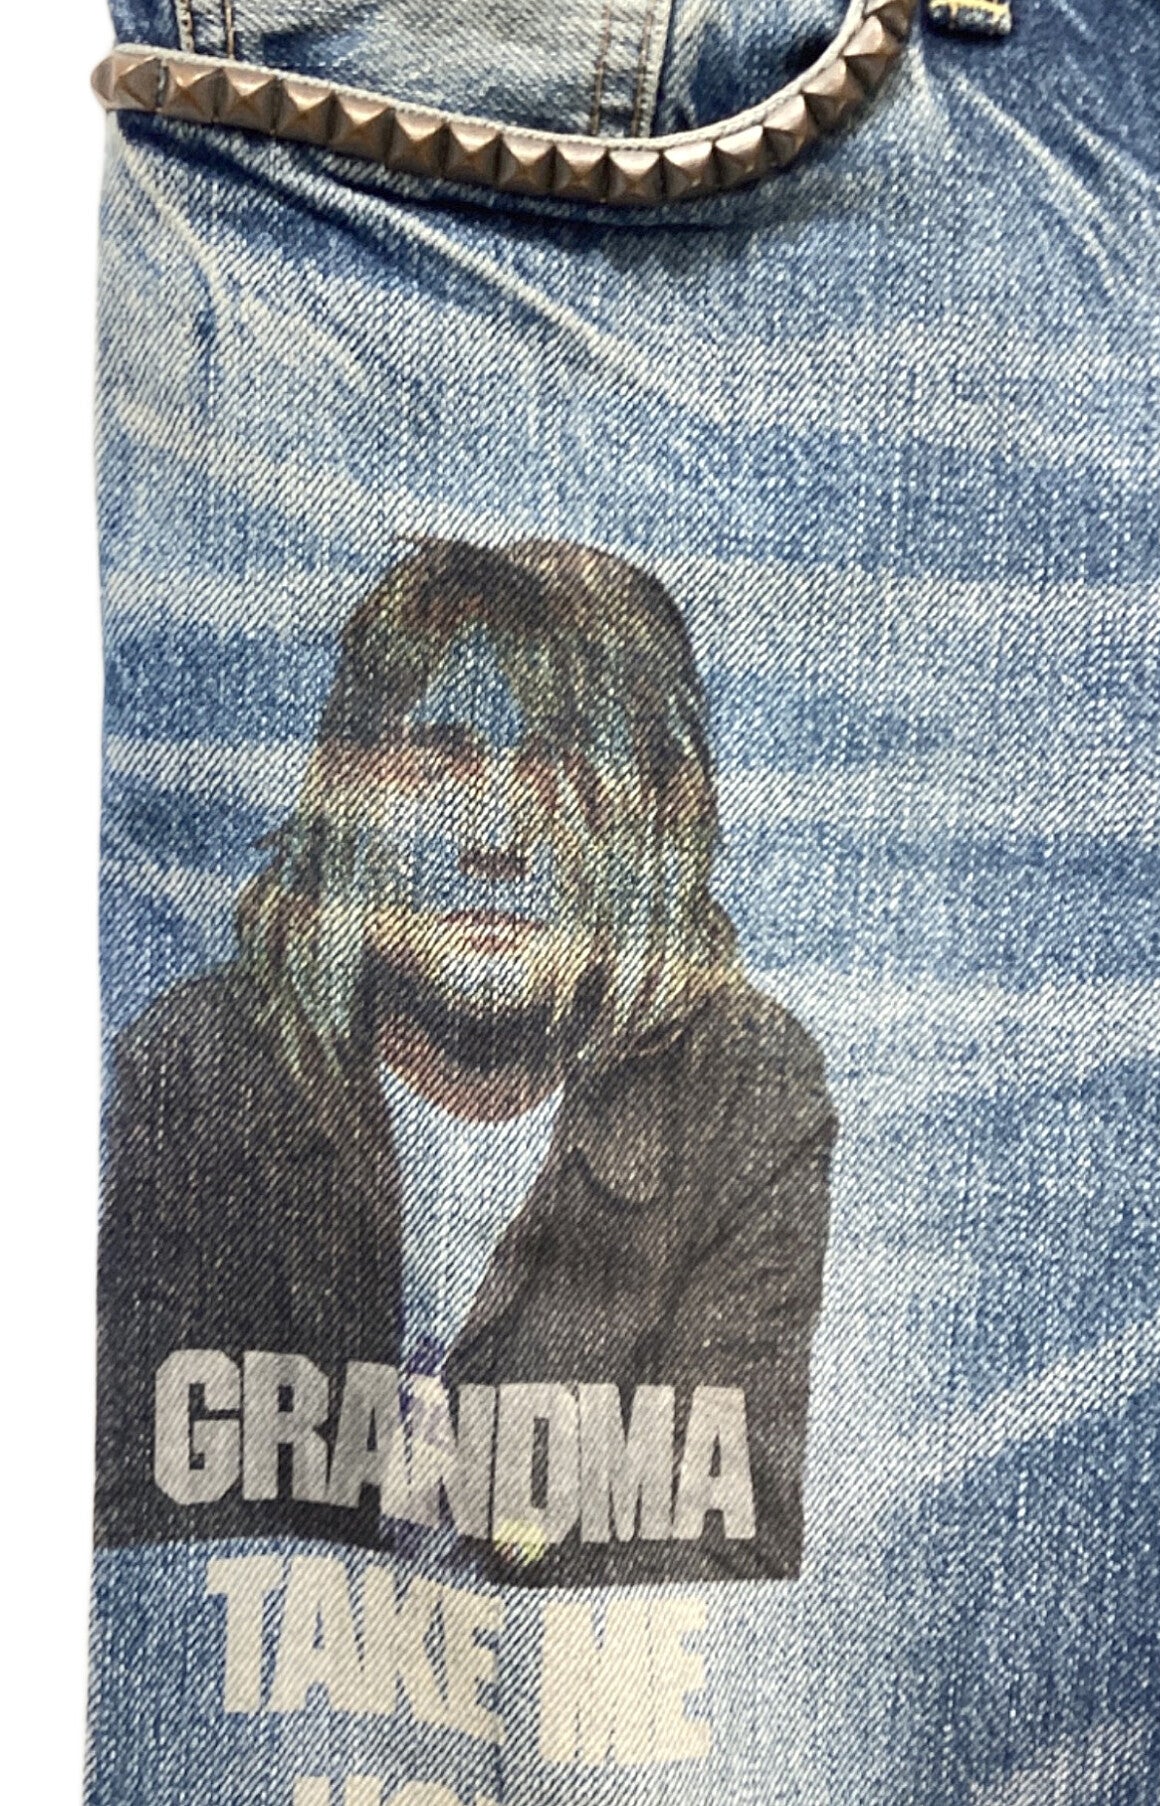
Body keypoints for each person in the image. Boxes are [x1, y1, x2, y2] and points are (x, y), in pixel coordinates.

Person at [96, 537, 837, 1583]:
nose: (494, 833)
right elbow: (154, 1558)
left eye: (561, 763)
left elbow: (714, 1585)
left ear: (657, 816)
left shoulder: (746, 1096)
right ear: (351, 793)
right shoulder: (202, 1067)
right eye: (441, 752)